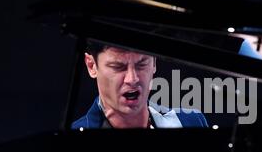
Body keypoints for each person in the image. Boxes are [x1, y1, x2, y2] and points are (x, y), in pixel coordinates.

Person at [72, 41, 208, 129]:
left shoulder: (192, 122)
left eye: (141, 65)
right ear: (91, 66)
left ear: (154, 62)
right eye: (118, 67)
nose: (132, 79)